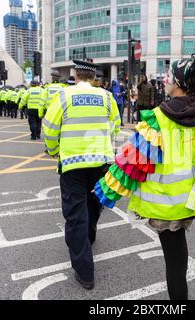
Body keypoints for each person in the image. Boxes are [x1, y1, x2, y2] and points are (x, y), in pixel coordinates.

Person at [94, 55, 195, 300]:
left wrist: (106, 191)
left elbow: (131, 162)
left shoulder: (158, 119)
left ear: (177, 83)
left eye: (169, 75)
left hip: (163, 205)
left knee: (175, 264)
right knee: (177, 259)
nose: (165, 79)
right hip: (191, 200)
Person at [43, 59, 121, 291]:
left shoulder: (65, 96)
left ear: (76, 75)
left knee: (76, 213)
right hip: (100, 162)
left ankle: (85, 272)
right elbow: (115, 126)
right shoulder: (106, 97)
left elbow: (49, 128)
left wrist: (54, 150)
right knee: (93, 202)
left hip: (73, 164)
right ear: (94, 77)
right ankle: (90, 235)